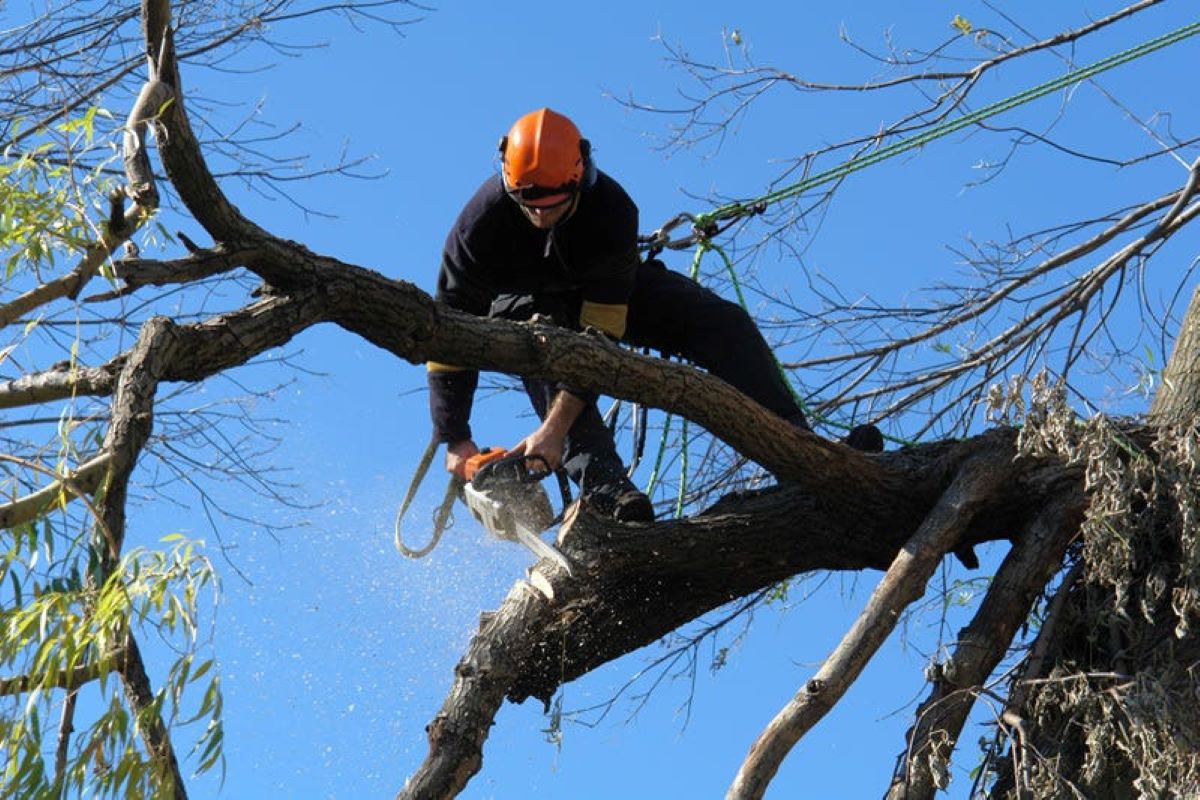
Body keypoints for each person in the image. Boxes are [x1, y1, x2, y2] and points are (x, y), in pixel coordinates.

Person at [427, 108, 863, 524]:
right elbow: (447, 330)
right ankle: (607, 488)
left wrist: (554, 430)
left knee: (721, 324)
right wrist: (455, 437)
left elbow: (598, 339)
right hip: (522, 305)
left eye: (553, 202)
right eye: (529, 202)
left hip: (602, 292)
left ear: (579, 177)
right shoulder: (478, 228)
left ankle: (803, 452)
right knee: (542, 345)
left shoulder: (611, 211)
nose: (540, 213)